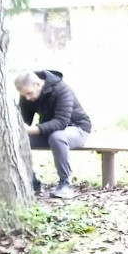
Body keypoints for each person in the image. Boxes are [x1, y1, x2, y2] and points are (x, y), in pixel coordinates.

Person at [16, 70, 92, 200]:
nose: (27, 98)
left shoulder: (62, 89)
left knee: (57, 137)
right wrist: (21, 130)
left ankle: (65, 184)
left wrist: (31, 130)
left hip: (77, 128)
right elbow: (23, 122)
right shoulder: (28, 95)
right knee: (18, 139)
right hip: (49, 131)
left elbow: (61, 122)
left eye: (29, 93)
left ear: (38, 84)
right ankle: (32, 182)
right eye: (24, 95)